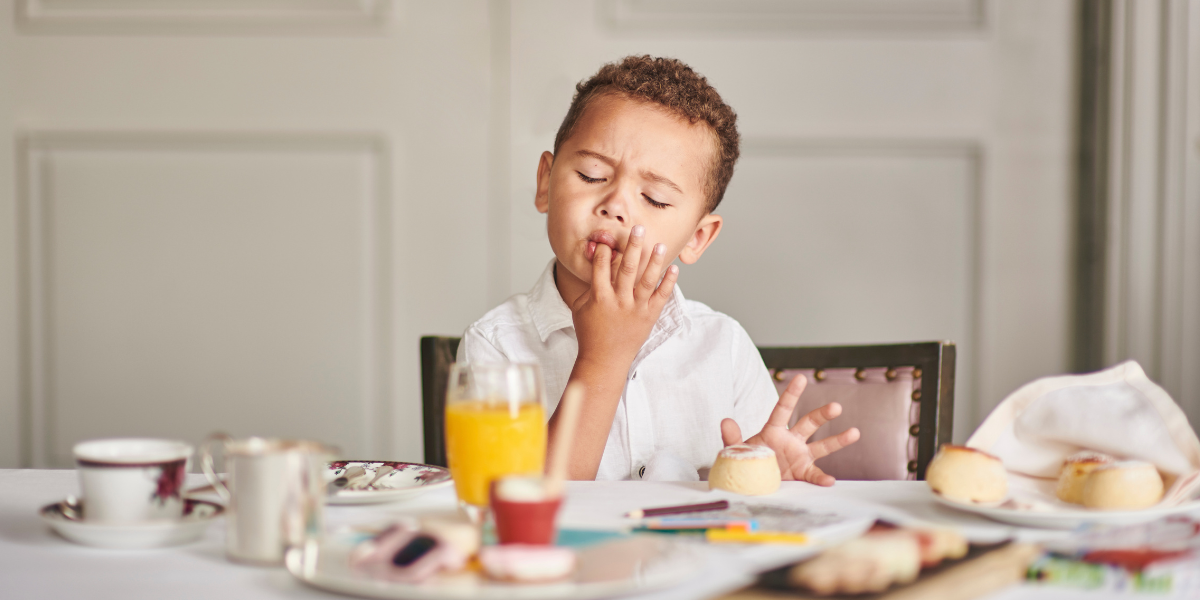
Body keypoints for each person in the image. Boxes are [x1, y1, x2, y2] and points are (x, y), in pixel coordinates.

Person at [458, 55, 860, 483]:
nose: (615, 205)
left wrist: (760, 472)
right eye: (592, 175)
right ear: (546, 182)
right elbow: (514, 517)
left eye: (654, 199)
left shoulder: (725, 347)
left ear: (697, 238)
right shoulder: (496, 348)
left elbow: (748, 512)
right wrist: (604, 356)